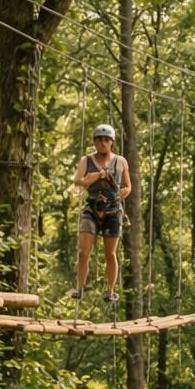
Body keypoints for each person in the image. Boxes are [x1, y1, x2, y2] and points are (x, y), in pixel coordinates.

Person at [69, 124, 131, 302]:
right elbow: (78, 180)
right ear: (94, 142)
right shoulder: (86, 161)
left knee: (110, 253)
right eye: (99, 139)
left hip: (113, 210)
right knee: (83, 252)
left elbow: (128, 186)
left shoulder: (121, 162)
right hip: (92, 208)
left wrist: (122, 192)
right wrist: (98, 176)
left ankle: (110, 290)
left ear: (112, 142)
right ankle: (80, 287)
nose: (102, 143)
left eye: (106, 140)